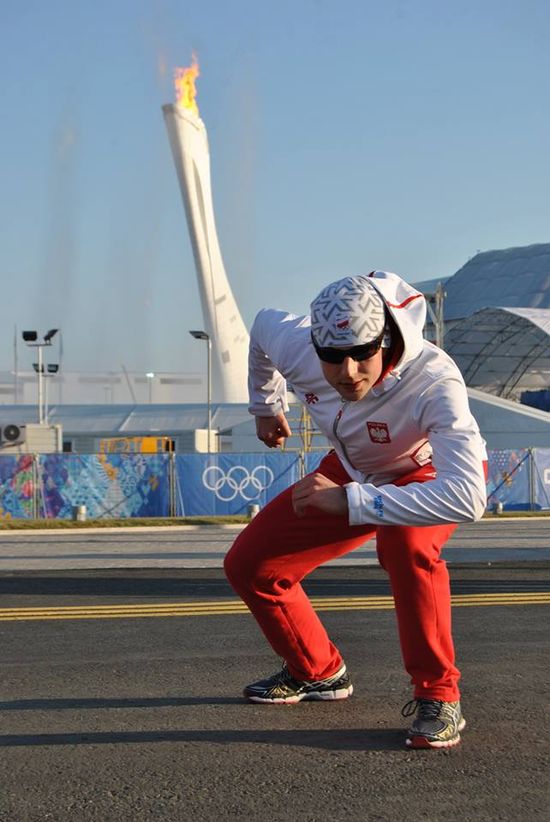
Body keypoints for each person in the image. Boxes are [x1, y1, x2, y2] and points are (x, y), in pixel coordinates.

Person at [224, 270, 487, 749]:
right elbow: (261, 329)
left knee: (405, 546)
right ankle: (318, 671)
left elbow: (467, 495)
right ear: (314, 346)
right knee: (250, 565)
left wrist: (352, 502)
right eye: (332, 357)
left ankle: (439, 695)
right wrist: (264, 405)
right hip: (351, 467)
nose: (348, 373)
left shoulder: (434, 379)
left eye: (363, 354)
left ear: (385, 340)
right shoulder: (296, 345)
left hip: (421, 472)